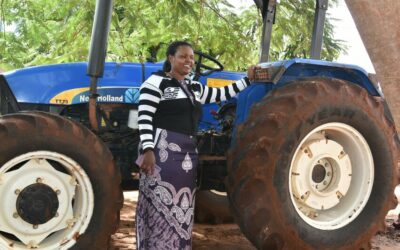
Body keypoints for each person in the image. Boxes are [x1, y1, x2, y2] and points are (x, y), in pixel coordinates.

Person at [135, 41, 257, 249]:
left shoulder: (193, 87)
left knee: (182, 206)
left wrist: (248, 80)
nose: (188, 61)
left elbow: (221, 94)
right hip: (161, 151)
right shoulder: (156, 84)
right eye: (183, 56)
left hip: (186, 154)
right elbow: (144, 118)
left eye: (191, 57)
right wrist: (148, 150)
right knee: (159, 205)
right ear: (171, 58)